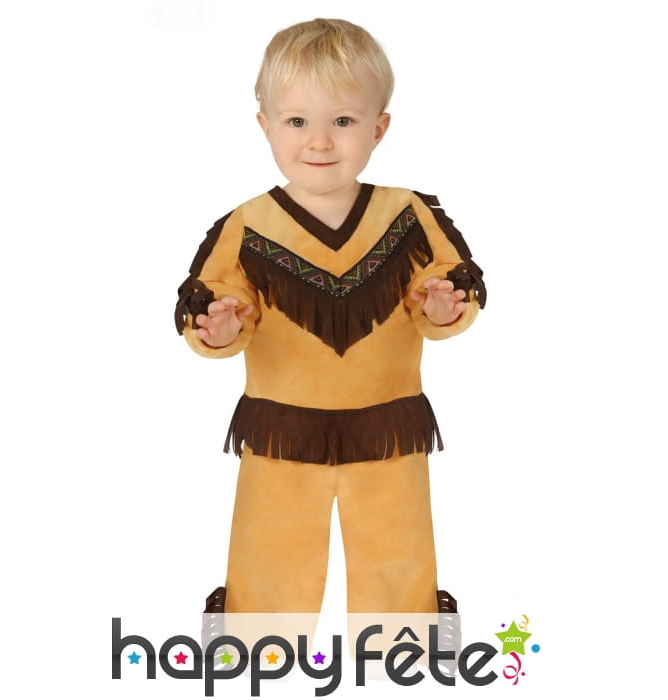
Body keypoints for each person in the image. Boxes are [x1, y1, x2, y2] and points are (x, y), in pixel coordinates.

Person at [175, 18, 486, 626]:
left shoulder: (408, 214)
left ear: (379, 128)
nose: (319, 141)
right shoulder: (247, 224)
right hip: (282, 427)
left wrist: (444, 309)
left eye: (343, 120)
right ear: (265, 126)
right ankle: (258, 642)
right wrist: (218, 330)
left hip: (387, 422)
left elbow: (449, 283)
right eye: (297, 121)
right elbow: (214, 301)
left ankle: (403, 645)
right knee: (271, 544)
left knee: (398, 543)